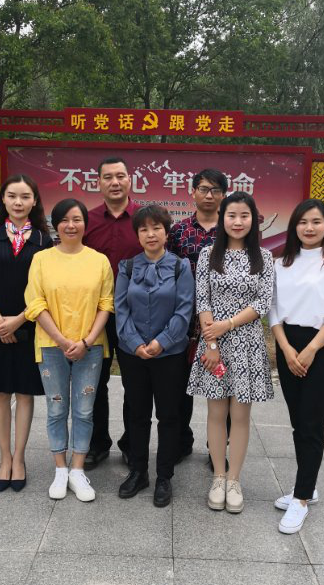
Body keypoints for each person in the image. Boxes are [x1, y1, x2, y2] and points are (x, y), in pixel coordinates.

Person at [268, 198, 324, 534]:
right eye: (303, 222)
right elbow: (273, 310)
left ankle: (302, 498)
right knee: (297, 422)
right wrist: (286, 349)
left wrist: (310, 350)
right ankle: (308, 483)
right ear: (294, 227)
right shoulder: (280, 264)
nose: (309, 227)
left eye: (316, 221)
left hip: (320, 346)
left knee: (312, 423)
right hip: (287, 345)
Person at [187, 192, 275, 514]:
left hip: (247, 345)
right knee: (215, 413)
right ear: (222, 219)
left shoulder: (263, 257)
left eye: (244, 216)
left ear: (253, 220)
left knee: (240, 415)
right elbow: (203, 300)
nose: (238, 222)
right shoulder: (209, 254)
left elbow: (263, 302)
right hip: (215, 347)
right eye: (231, 215)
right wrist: (212, 345)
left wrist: (228, 324)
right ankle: (218, 477)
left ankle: (235, 480)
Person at [25, 198, 114, 502]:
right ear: (55, 225)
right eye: (64, 220)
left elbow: (106, 304)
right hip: (52, 346)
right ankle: (60, 469)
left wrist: (86, 341)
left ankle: (77, 468)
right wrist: (63, 341)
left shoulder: (99, 261)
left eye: (77, 219)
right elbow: (35, 303)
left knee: (85, 410)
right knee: (56, 408)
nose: (70, 225)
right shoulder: (41, 259)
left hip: (90, 347)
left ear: (85, 224)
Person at [0, 174, 52, 492]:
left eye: (25, 197)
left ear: (34, 201)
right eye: (12, 196)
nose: (18, 202)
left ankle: (19, 458)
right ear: (3, 200)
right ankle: (4, 458)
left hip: (30, 326)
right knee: (0, 392)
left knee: (24, 392)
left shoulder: (44, 241)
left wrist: (18, 321)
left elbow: (45, 290)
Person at [116, 205, 194, 507]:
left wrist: (162, 342)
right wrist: (136, 343)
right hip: (133, 354)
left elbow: (184, 309)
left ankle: (164, 476)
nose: (151, 234)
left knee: (169, 415)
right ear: (137, 235)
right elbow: (121, 309)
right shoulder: (127, 267)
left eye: (156, 228)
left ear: (166, 232)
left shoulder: (180, 267)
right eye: (144, 229)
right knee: (137, 413)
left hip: (170, 354)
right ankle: (138, 472)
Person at [83, 157, 142, 469]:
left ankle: (132, 444)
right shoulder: (86, 220)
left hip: (137, 317)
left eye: (121, 176)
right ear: (99, 183)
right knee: (95, 382)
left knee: (135, 384)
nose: (115, 182)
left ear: (130, 180)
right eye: (108, 177)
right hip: (95, 317)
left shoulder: (145, 219)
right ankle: (97, 444)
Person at [168, 168, 228, 463]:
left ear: (224, 195)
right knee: (181, 386)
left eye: (215, 190)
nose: (209, 195)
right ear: (192, 192)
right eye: (203, 189)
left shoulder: (232, 230)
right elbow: (167, 272)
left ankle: (218, 447)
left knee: (223, 385)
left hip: (225, 320)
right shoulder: (178, 231)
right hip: (185, 319)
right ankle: (181, 441)